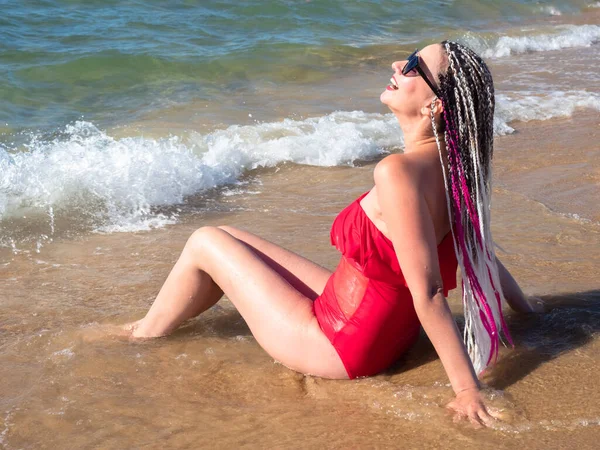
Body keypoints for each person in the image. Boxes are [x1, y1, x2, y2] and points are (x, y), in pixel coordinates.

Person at [124, 41, 543, 427]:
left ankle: (139, 338)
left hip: (341, 347)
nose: (399, 64)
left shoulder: (397, 172)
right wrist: (530, 312)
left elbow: (431, 292)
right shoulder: (455, 170)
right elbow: (479, 251)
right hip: (384, 330)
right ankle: (152, 325)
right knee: (227, 234)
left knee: (204, 241)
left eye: (414, 66)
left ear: (435, 105)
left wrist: (467, 389)